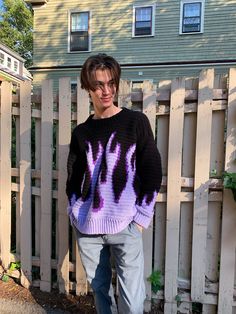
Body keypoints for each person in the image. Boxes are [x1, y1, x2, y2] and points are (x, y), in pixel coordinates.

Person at [66, 53, 162, 314]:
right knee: (100, 292)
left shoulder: (135, 123)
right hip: (88, 227)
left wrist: (141, 219)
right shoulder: (81, 133)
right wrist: (74, 210)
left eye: (111, 83)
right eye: (98, 85)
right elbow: (73, 177)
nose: (106, 91)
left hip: (126, 224)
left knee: (132, 298)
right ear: (88, 88)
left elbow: (152, 170)